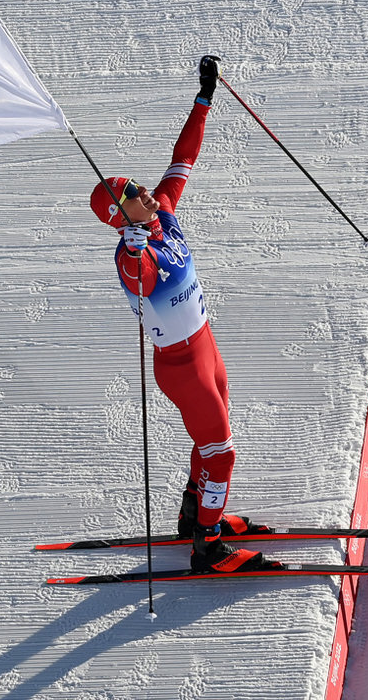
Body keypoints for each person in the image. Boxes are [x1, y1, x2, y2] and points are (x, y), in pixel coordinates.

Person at [88, 55, 279, 573]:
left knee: (211, 438)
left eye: (138, 187)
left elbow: (181, 161)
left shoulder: (162, 218)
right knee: (221, 451)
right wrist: (130, 248)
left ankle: (194, 513)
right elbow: (136, 277)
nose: (145, 193)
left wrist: (203, 100)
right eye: (132, 195)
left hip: (205, 345)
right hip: (180, 365)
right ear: (118, 216)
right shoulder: (134, 257)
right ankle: (208, 547)